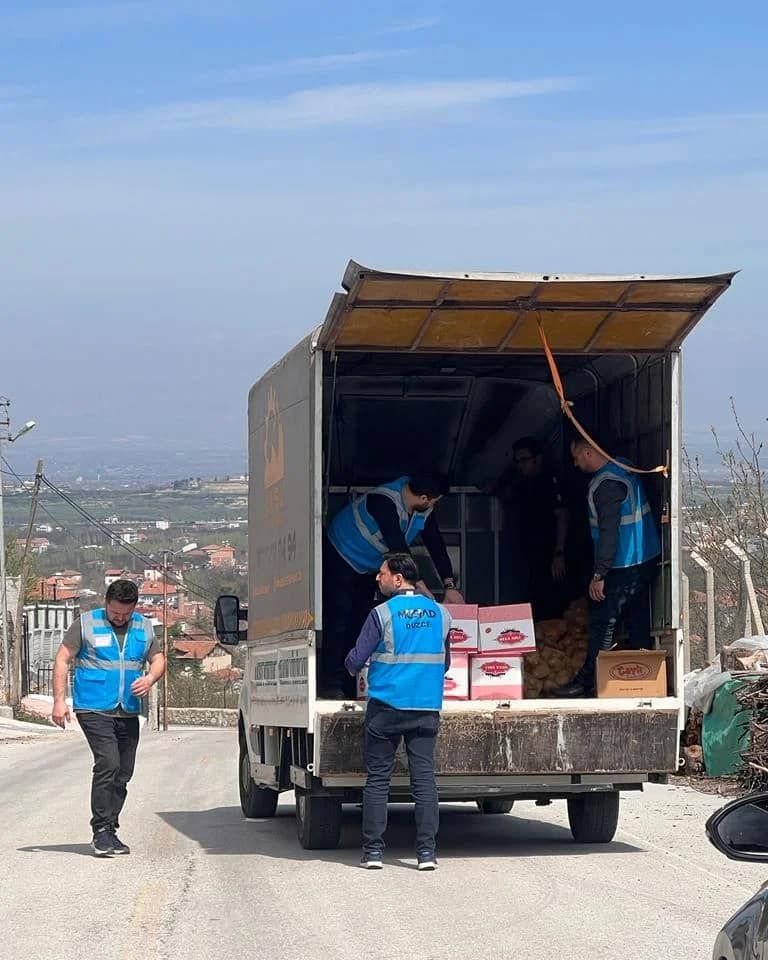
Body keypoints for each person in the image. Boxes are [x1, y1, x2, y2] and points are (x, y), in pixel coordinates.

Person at [345, 553, 451, 871]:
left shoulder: (382, 614)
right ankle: (427, 854)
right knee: (424, 781)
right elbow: (445, 662)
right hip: (426, 707)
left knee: (378, 780)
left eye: (382, 573)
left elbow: (356, 660)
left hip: (386, 708)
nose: (377, 578)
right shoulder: (441, 613)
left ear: (398, 578)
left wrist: (349, 664)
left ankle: (373, 853)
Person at [322, 471, 463, 698]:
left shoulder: (422, 509)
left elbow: (435, 544)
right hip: (341, 555)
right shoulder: (384, 501)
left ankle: (351, 685)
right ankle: (331, 684)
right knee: (338, 621)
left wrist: (450, 585)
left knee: (358, 622)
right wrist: (418, 585)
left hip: (369, 566)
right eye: (434, 501)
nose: (434, 506)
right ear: (425, 498)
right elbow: (398, 546)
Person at [51, 579, 166, 857]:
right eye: (115, 612)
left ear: (134, 607)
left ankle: (110, 829)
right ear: (106, 603)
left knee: (124, 771)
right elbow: (63, 659)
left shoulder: (144, 626)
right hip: (93, 706)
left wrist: (150, 679)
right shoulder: (86, 624)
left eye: (126, 613)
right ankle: (100, 830)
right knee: (108, 763)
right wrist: (59, 701)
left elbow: (159, 658)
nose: (120, 618)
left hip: (127, 708)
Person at [552, 438, 661, 698]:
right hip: (645, 557)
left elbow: (609, 533)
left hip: (622, 563)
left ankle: (588, 682)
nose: (575, 464)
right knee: (637, 618)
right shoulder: (623, 467)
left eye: (576, 457)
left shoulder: (606, 485)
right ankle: (642, 679)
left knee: (603, 621)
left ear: (589, 452)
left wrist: (599, 574)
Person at [495, 436, 570, 618]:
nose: (521, 465)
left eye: (524, 460)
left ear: (538, 459)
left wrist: (559, 552)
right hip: (527, 556)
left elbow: (562, 516)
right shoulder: (522, 483)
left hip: (548, 555)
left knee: (549, 603)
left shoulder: (550, 482)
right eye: (517, 461)